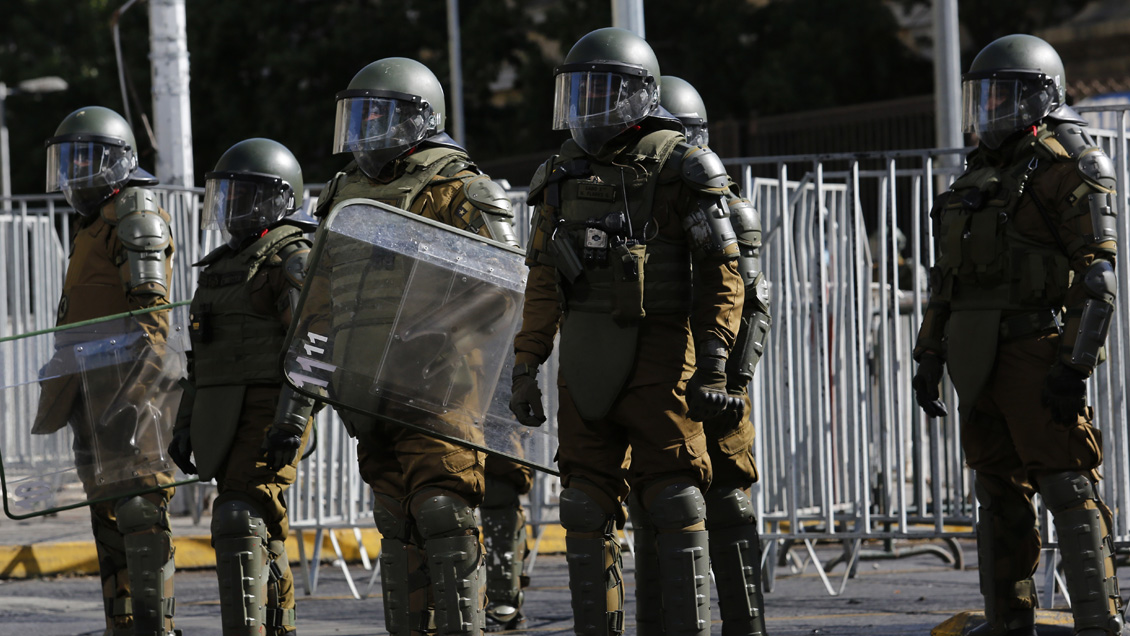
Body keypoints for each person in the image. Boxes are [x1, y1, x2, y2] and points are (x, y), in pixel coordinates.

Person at [509, 28, 745, 636]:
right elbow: (542, 284)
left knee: (674, 497)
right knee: (583, 505)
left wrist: (716, 369)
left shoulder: (684, 165)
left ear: (640, 95)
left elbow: (724, 279)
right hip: (584, 360)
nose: (588, 105)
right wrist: (526, 363)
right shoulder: (559, 174)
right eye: (579, 91)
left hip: (664, 355)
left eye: (602, 91)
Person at [912, 34, 1121, 636]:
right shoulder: (974, 177)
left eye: (1007, 96)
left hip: (1036, 349)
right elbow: (947, 283)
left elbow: (1098, 279)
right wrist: (929, 353)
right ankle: (1010, 623)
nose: (991, 109)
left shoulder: (1070, 165)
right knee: (997, 495)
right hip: (976, 359)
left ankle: (1097, 622)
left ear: (1043, 98)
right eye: (985, 96)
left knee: (1066, 484)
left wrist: (1072, 367)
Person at [313, 56, 520, 636]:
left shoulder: (461, 187)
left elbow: (506, 282)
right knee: (395, 520)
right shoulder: (342, 194)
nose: (366, 128)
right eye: (360, 115)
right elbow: (319, 296)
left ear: (420, 119)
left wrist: (434, 330)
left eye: (380, 115)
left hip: (441, 387)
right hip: (368, 394)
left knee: (444, 513)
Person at [624, 74, 772, 636]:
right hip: (662, 376)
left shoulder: (728, 208)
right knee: (656, 503)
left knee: (729, 501)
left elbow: (753, 303)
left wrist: (734, 382)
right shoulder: (636, 203)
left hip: (715, 376)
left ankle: (745, 625)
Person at [35, 106, 179, 636]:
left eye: (85, 160)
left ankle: (155, 629)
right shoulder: (95, 224)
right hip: (91, 395)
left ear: (116, 162)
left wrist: (132, 398)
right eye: (67, 161)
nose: (74, 173)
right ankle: (124, 627)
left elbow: (152, 324)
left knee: (140, 512)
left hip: (130, 396)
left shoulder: (134, 214)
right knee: (109, 517)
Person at [166, 138, 316, 636]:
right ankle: (279, 626)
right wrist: (185, 422)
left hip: (271, 410)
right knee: (258, 526)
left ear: (277, 199)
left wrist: (291, 423)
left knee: (237, 518)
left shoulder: (290, 259)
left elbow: (310, 346)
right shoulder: (217, 270)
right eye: (226, 195)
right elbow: (200, 360)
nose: (232, 207)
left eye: (245, 195)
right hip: (220, 413)